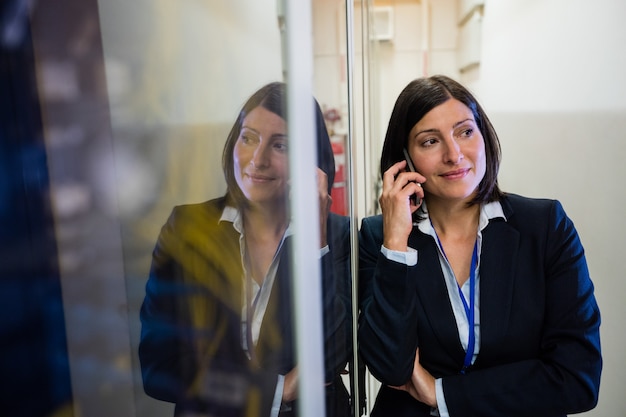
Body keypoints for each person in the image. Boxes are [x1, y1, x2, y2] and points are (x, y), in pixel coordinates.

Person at [357, 75, 602, 417]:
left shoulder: (545, 226)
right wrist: (397, 242)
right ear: (404, 159)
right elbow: (389, 367)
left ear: (484, 135)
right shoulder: (378, 237)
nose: (454, 154)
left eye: (465, 131)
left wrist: (441, 393)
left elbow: (578, 379)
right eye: (430, 142)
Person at [139, 82, 352, 417]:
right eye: (249, 137)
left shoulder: (337, 236)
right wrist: (278, 389)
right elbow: (159, 366)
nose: (258, 159)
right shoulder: (187, 227)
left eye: (280, 145)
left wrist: (316, 238)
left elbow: (334, 352)